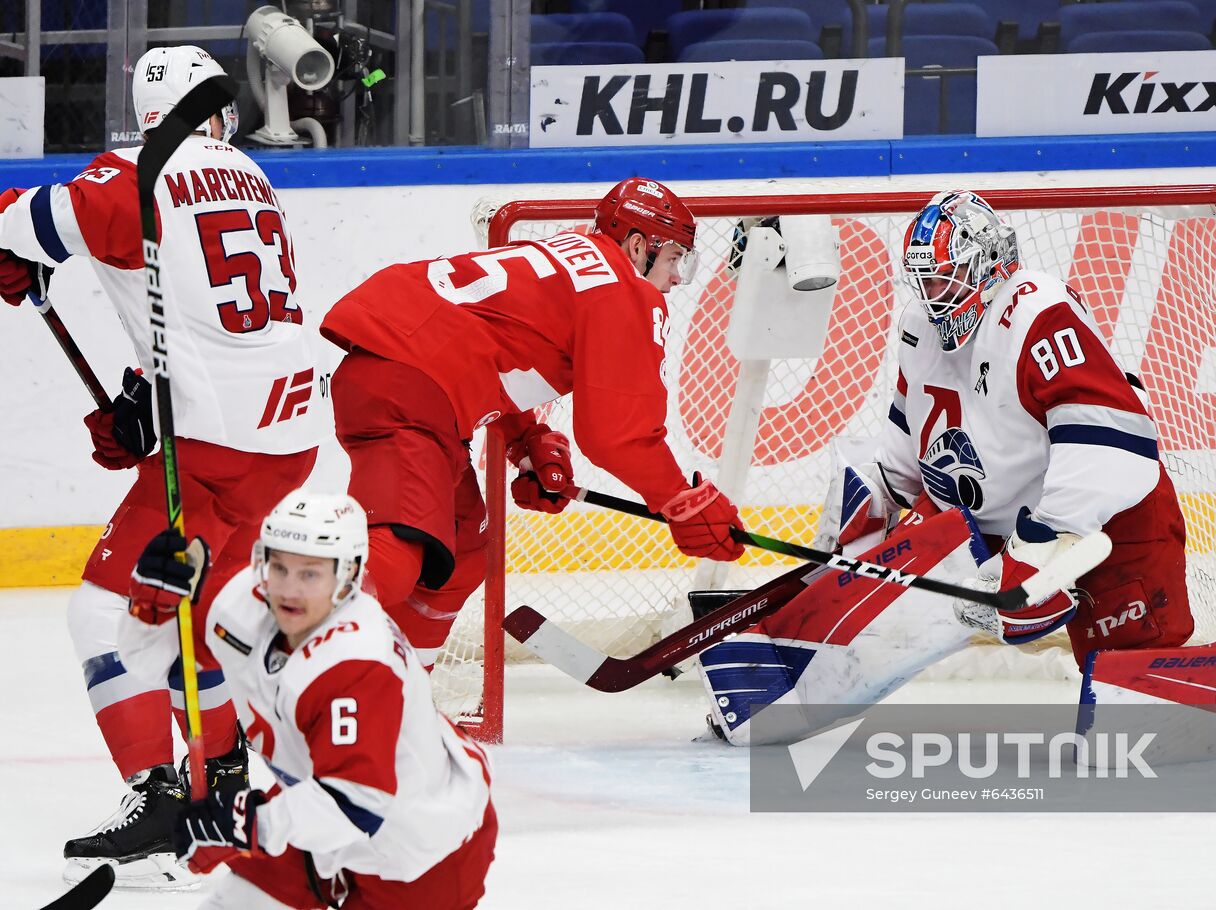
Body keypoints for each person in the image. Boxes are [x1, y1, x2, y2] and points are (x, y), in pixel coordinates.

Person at [695, 190, 1193, 745]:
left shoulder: (1035, 312)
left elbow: (1114, 441)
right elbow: (912, 429)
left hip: (1108, 527)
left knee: (1128, 728)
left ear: (988, 265)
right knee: (887, 601)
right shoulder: (921, 324)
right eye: (925, 281)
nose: (934, 298)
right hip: (986, 532)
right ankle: (774, 696)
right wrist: (874, 511)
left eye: (945, 279)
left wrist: (1042, 542)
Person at [0, 46, 327, 884]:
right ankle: (221, 785)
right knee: (201, 611)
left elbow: (17, 223)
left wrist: (19, 250)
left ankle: (160, 800)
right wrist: (144, 397)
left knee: (109, 615)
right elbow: (204, 309)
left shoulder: (129, 176)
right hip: (286, 438)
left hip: (215, 447)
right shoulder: (253, 179)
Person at [319, 177, 745, 670]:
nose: (676, 278)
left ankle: (398, 691)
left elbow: (486, 335)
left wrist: (527, 440)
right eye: (674, 259)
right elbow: (617, 435)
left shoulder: (569, 253)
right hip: (411, 387)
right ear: (637, 245)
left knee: (462, 550)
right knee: (397, 556)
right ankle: (280, 647)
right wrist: (681, 502)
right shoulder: (625, 290)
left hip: (403, 374)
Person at [119, 492, 496, 909]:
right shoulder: (242, 605)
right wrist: (150, 603)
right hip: (319, 818)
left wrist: (242, 822)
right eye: (279, 567)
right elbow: (148, 664)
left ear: (349, 574)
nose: (289, 590)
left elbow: (357, 806)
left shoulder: (356, 663)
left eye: (310, 574)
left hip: (420, 851)